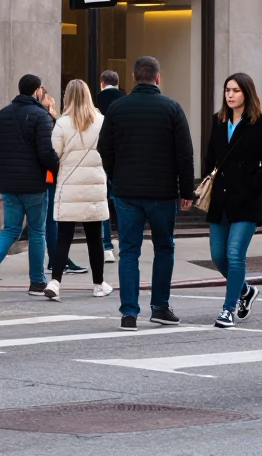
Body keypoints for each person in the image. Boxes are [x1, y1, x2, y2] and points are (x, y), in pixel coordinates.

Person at [99, 56, 195, 330]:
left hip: (127, 192)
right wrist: (186, 190)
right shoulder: (171, 108)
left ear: (133, 78)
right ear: (157, 78)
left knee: (129, 250)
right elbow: (184, 154)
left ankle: (129, 312)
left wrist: (116, 177)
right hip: (162, 193)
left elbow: (104, 149)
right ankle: (160, 307)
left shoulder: (118, 108)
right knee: (164, 248)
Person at [203, 73, 262, 328]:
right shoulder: (218, 120)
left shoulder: (260, 123)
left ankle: (228, 309)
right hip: (220, 200)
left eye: (235, 90)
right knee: (218, 257)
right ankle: (245, 290)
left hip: (246, 201)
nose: (230, 95)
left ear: (246, 92)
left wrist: (251, 186)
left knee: (235, 255)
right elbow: (210, 158)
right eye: (227, 90)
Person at [0, 74, 60, 300]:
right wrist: (55, 167)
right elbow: (45, 152)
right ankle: (36, 281)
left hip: (9, 183)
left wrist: (3, 167)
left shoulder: (3, 114)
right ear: (36, 91)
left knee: (10, 229)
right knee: (37, 230)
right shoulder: (41, 116)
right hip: (35, 184)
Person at [44, 79, 111, 303]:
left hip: (69, 186)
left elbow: (54, 155)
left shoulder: (61, 124)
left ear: (67, 97)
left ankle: (55, 282)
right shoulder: (102, 121)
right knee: (95, 238)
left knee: (64, 237)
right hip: (94, 186)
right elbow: (109, 152)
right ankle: (98, 284)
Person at [41, 89, 87, 276]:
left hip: (47, 177)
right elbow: (52, 152)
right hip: (49, 177)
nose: (52, 101)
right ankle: (56, 259)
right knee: (52, 221)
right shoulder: (48, 120)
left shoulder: (49, 120)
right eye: (47, 98)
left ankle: (56, 259)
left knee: (48, 221)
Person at [96, 70, 125, 264]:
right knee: (121, 205)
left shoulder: (95, 101)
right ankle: (124, 243)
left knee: (103, 203)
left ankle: (107, 246)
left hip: (101, 158)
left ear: (101, 83)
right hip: (122, 159)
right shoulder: (126, 99)